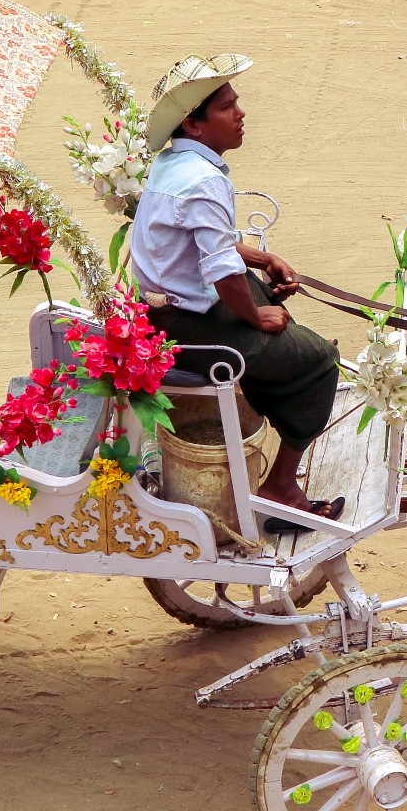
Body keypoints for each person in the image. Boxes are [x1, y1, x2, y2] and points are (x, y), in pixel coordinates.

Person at [130, 54, 345, 524]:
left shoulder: (172, 163)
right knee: (319, 361)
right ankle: (283, 489)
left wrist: (263, 259)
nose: (240, 113)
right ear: (194, 123)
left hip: (165, 308)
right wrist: (255, 316)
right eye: (227, 107)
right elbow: (223, 274)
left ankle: (275, 408)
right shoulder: (204, 180)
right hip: (187, 324)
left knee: (278, 317)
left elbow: (208, 247)